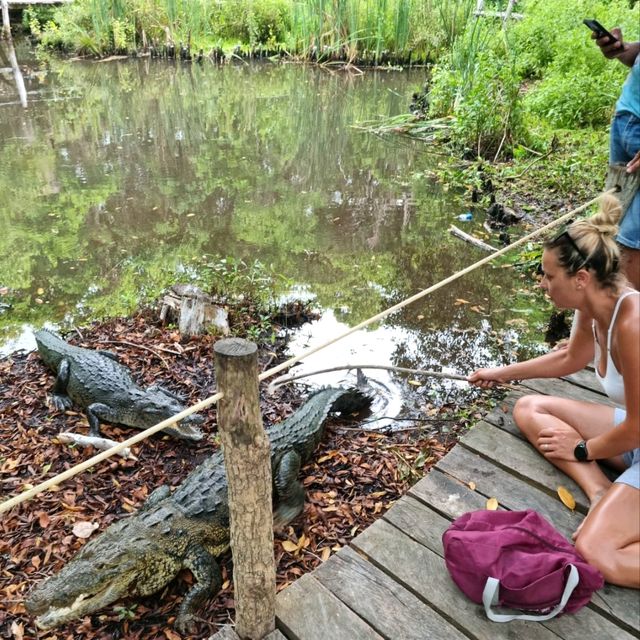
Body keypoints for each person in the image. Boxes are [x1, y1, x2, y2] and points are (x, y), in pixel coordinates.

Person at [468, 194, 639, 589]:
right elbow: (568, 361)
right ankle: (600, 492)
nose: (542, 283)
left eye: (548, 276)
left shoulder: (633, 323)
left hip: (636, 432)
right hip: (634, 435)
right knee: (530, 408)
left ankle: (615, 505)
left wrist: (581, 449)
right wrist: (500, 373)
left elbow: (636, 428)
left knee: (596, 551)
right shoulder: (593, 305)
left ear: (580, 279)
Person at [593, 25, 640, 290]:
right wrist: (621, 49)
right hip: (626, 119)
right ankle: (600, 325)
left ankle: (629, 326)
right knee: (609, 224)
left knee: (632, 242)